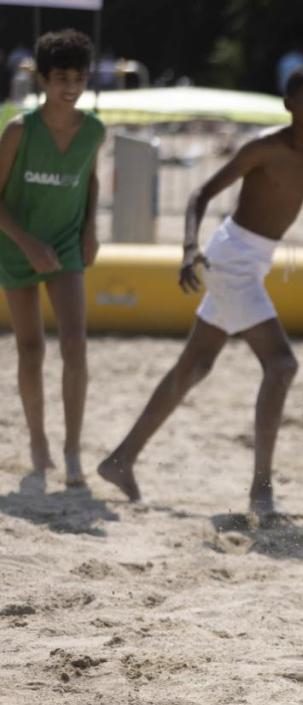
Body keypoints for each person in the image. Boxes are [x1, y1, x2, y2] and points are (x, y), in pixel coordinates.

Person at [97, 64, 303, 516]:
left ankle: (120, 460)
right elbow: (199, 195)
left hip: (255, 260)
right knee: (281, 365)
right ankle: (261, 491)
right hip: (230, 258)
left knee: (196, 365)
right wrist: (189, 247)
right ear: (289, 105)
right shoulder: (264, 147)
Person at [0, 29, 104, 487]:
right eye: (61, 77)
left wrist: (90, 230)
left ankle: (73, 449)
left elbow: (91, 179)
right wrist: (26, 242)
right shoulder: (20, 129)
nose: (71, 87)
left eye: (79, 77)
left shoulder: (95, 129)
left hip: (64, 244)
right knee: (30, 348)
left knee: (76, 344)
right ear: (42, 79)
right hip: (15, 244)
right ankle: (38, 441)